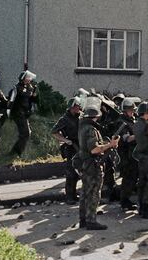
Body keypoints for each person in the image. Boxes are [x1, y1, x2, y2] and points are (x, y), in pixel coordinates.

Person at [78, 100, 119, 230]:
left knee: (85, 192)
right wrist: (110, 145)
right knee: (94, 193)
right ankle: (91, 220)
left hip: (86, 164)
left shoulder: (82, 127)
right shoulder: (91, 130)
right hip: (93, 165)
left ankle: (83, 219)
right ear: (96, 116)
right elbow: (94, 149)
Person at [51, 97, 83, 204]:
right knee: (71, 173)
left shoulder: (81, 116)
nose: (78, 108)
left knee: (78, 172)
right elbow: (54, 132)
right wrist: (65, 140)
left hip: (81, 146)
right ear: (72, 107)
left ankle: (73, 194)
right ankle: (69, 196)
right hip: (71, 147)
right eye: (76, 106)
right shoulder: (65, 119)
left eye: (78, 106)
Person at [115, 97, 138, 210]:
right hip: (125, 155)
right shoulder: (121, 122)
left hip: (132, 154)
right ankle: (124, 201)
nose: (133, 112)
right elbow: (126, 138)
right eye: (131, 110)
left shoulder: (131, 120)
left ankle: (126, 199)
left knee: (132, 177)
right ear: (125, 111)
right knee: (128, 178)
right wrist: (140, 134)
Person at [7, 70, 37, 156]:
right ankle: (16, 152)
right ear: (22, 79)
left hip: (25, 113)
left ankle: (16, 152)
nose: (29, 79)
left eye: (29, 78)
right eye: (27, 78)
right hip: (18, 113)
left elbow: (31, 99)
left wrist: (34, 96)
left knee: (26, 133)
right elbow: (11, 101)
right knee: (25, 133)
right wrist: (9, 112)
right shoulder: (17, 88)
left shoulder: (30, 88)